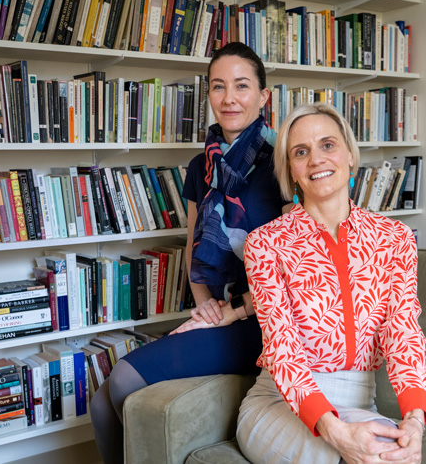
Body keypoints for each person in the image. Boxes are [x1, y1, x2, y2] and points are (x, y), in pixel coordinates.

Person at [90, 42, 290, 464]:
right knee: (100, 402)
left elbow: (297, 265)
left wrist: (229, 310)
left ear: (263, 96)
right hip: (220, 310)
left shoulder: (285, 163)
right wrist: (205, 309)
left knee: (124, 377)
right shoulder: (200, 166)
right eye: (218, 87)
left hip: (266, 320)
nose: (229, 98)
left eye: (241, 86)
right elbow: (195, 243)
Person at [239, 103, 426, 464]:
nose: (316, 159)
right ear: (291, 171)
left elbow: (403, 332)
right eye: (301, 152)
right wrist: (335, 432)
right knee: (355, 456)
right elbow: (282, 347)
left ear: (349, 155)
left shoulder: (395, 238)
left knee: (391, 453)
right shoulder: (265, 243)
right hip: (280, 403)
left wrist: (415, 422)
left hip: (360, 402)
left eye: (327, 145)